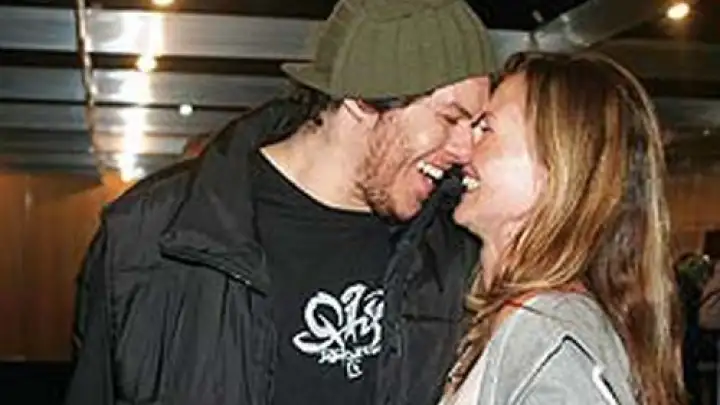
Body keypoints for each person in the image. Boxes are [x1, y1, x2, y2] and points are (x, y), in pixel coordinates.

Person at [64, 0, 497, 404]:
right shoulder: (150, 234)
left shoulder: (457, 249)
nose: (466, 149)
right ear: (364, 98)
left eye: (477, 125)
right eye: (450, 118)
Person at [441, 51, 686, 405]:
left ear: (556, 169)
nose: (464, 149)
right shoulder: (528, 324)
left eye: (486, 128)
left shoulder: (553, 340)